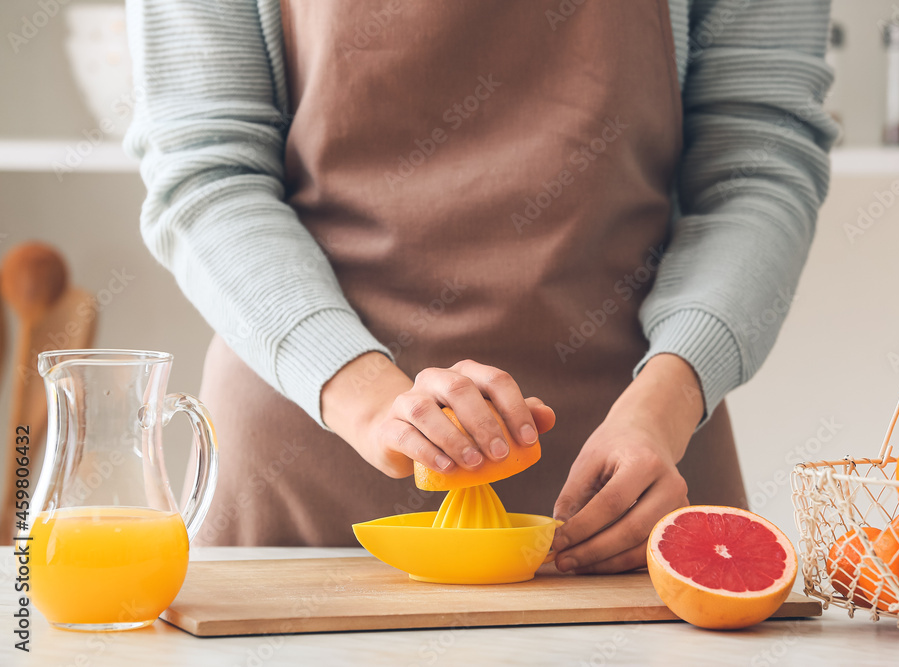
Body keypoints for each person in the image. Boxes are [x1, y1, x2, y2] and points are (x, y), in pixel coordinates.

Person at [125, 0, 836, 574]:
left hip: (640, 474)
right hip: (306, 465)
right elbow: (208, 169)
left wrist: (666, 405)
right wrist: (368, 398)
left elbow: (755, 161)